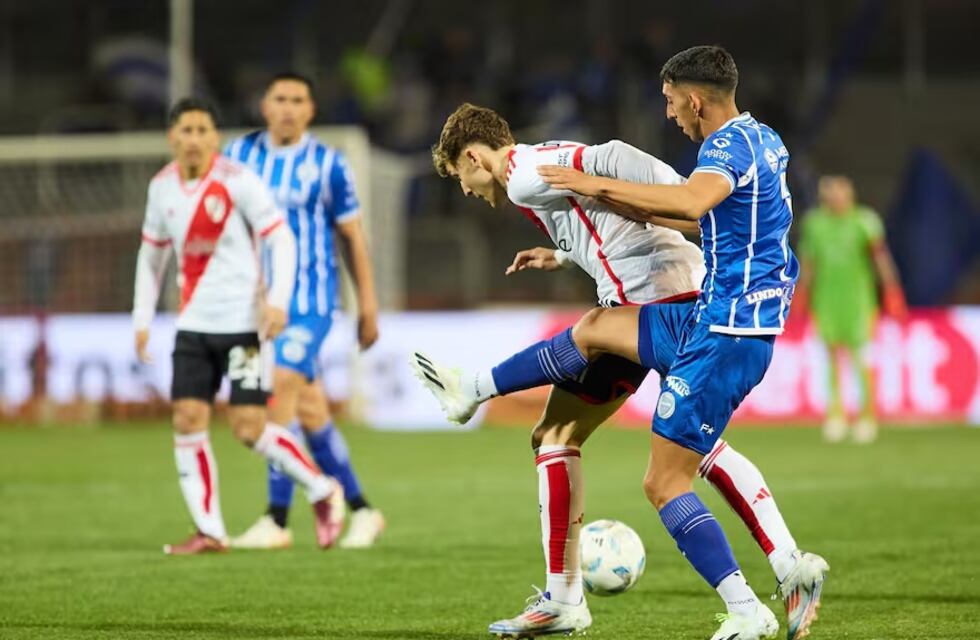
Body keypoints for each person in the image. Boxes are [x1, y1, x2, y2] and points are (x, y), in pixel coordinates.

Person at [419, 87, 825, 640]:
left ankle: (473, 389)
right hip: (666, 293)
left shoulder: (521, 172)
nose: (465, 190)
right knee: (562, 434)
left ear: (472, 157)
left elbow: (608, 158)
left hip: (659, 297)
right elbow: (601, 212)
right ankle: (779, 565)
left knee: (599, 354)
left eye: (458, 178)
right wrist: (563, 252)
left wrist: (676, 194)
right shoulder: (534, 173)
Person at [132, 98, 345, 555]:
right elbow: (152, 256)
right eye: (184, 130)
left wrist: (279, 302)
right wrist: (142, 318)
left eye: (201, 130)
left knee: (249, 428)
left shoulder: (237, 181)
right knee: (187, 420)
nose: (193, 138)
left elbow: (281, 238)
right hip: (193, 326)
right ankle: (210, 531)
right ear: (173, 137)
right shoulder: (161, 188)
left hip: (243, 326)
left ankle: (322, 489)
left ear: (214, 137)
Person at [224, 73, 385, 550]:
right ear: (264, 105)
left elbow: (352, 237)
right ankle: (363, 509)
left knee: (278, 399)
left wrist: (368, 304)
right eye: (280, 99)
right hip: (252, 306)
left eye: (298, 100)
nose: (288, 108)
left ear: (311, 109)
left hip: (309, 305)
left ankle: (276, 520)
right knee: (312, 413)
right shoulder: (237, 158)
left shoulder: (328, 165)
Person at [798, 175, 906, 443]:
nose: (836, 198)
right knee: (832, 357)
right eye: (831, 194)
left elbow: (880, 258)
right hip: (827, 299)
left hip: (859, 299)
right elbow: (809, 263)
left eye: (841, 193)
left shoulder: (864, 221)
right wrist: (801, 295)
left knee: (862, 358)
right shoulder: (815, 224)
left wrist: (891, 289)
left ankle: (867, 416)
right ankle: (836, 415)